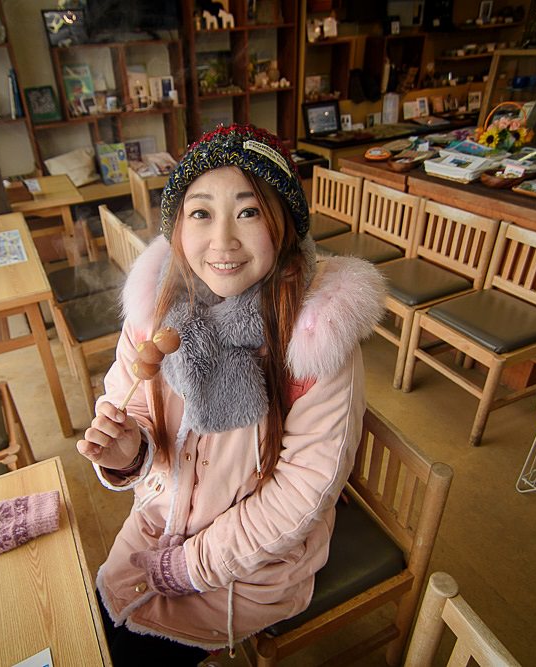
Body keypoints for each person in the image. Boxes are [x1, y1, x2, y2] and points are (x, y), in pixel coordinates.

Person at [77, 124, 386, 664]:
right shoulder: (156, 311)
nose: (222, 242)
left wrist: (191, 566)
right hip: (162, 517)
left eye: (248, 212)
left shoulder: (316, 339)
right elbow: (133, 412)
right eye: (201, 213)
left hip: (256, 559)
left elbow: (300, 495)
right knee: (86, 633)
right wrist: (129, 452)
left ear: (284, 226)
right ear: (177, 227)